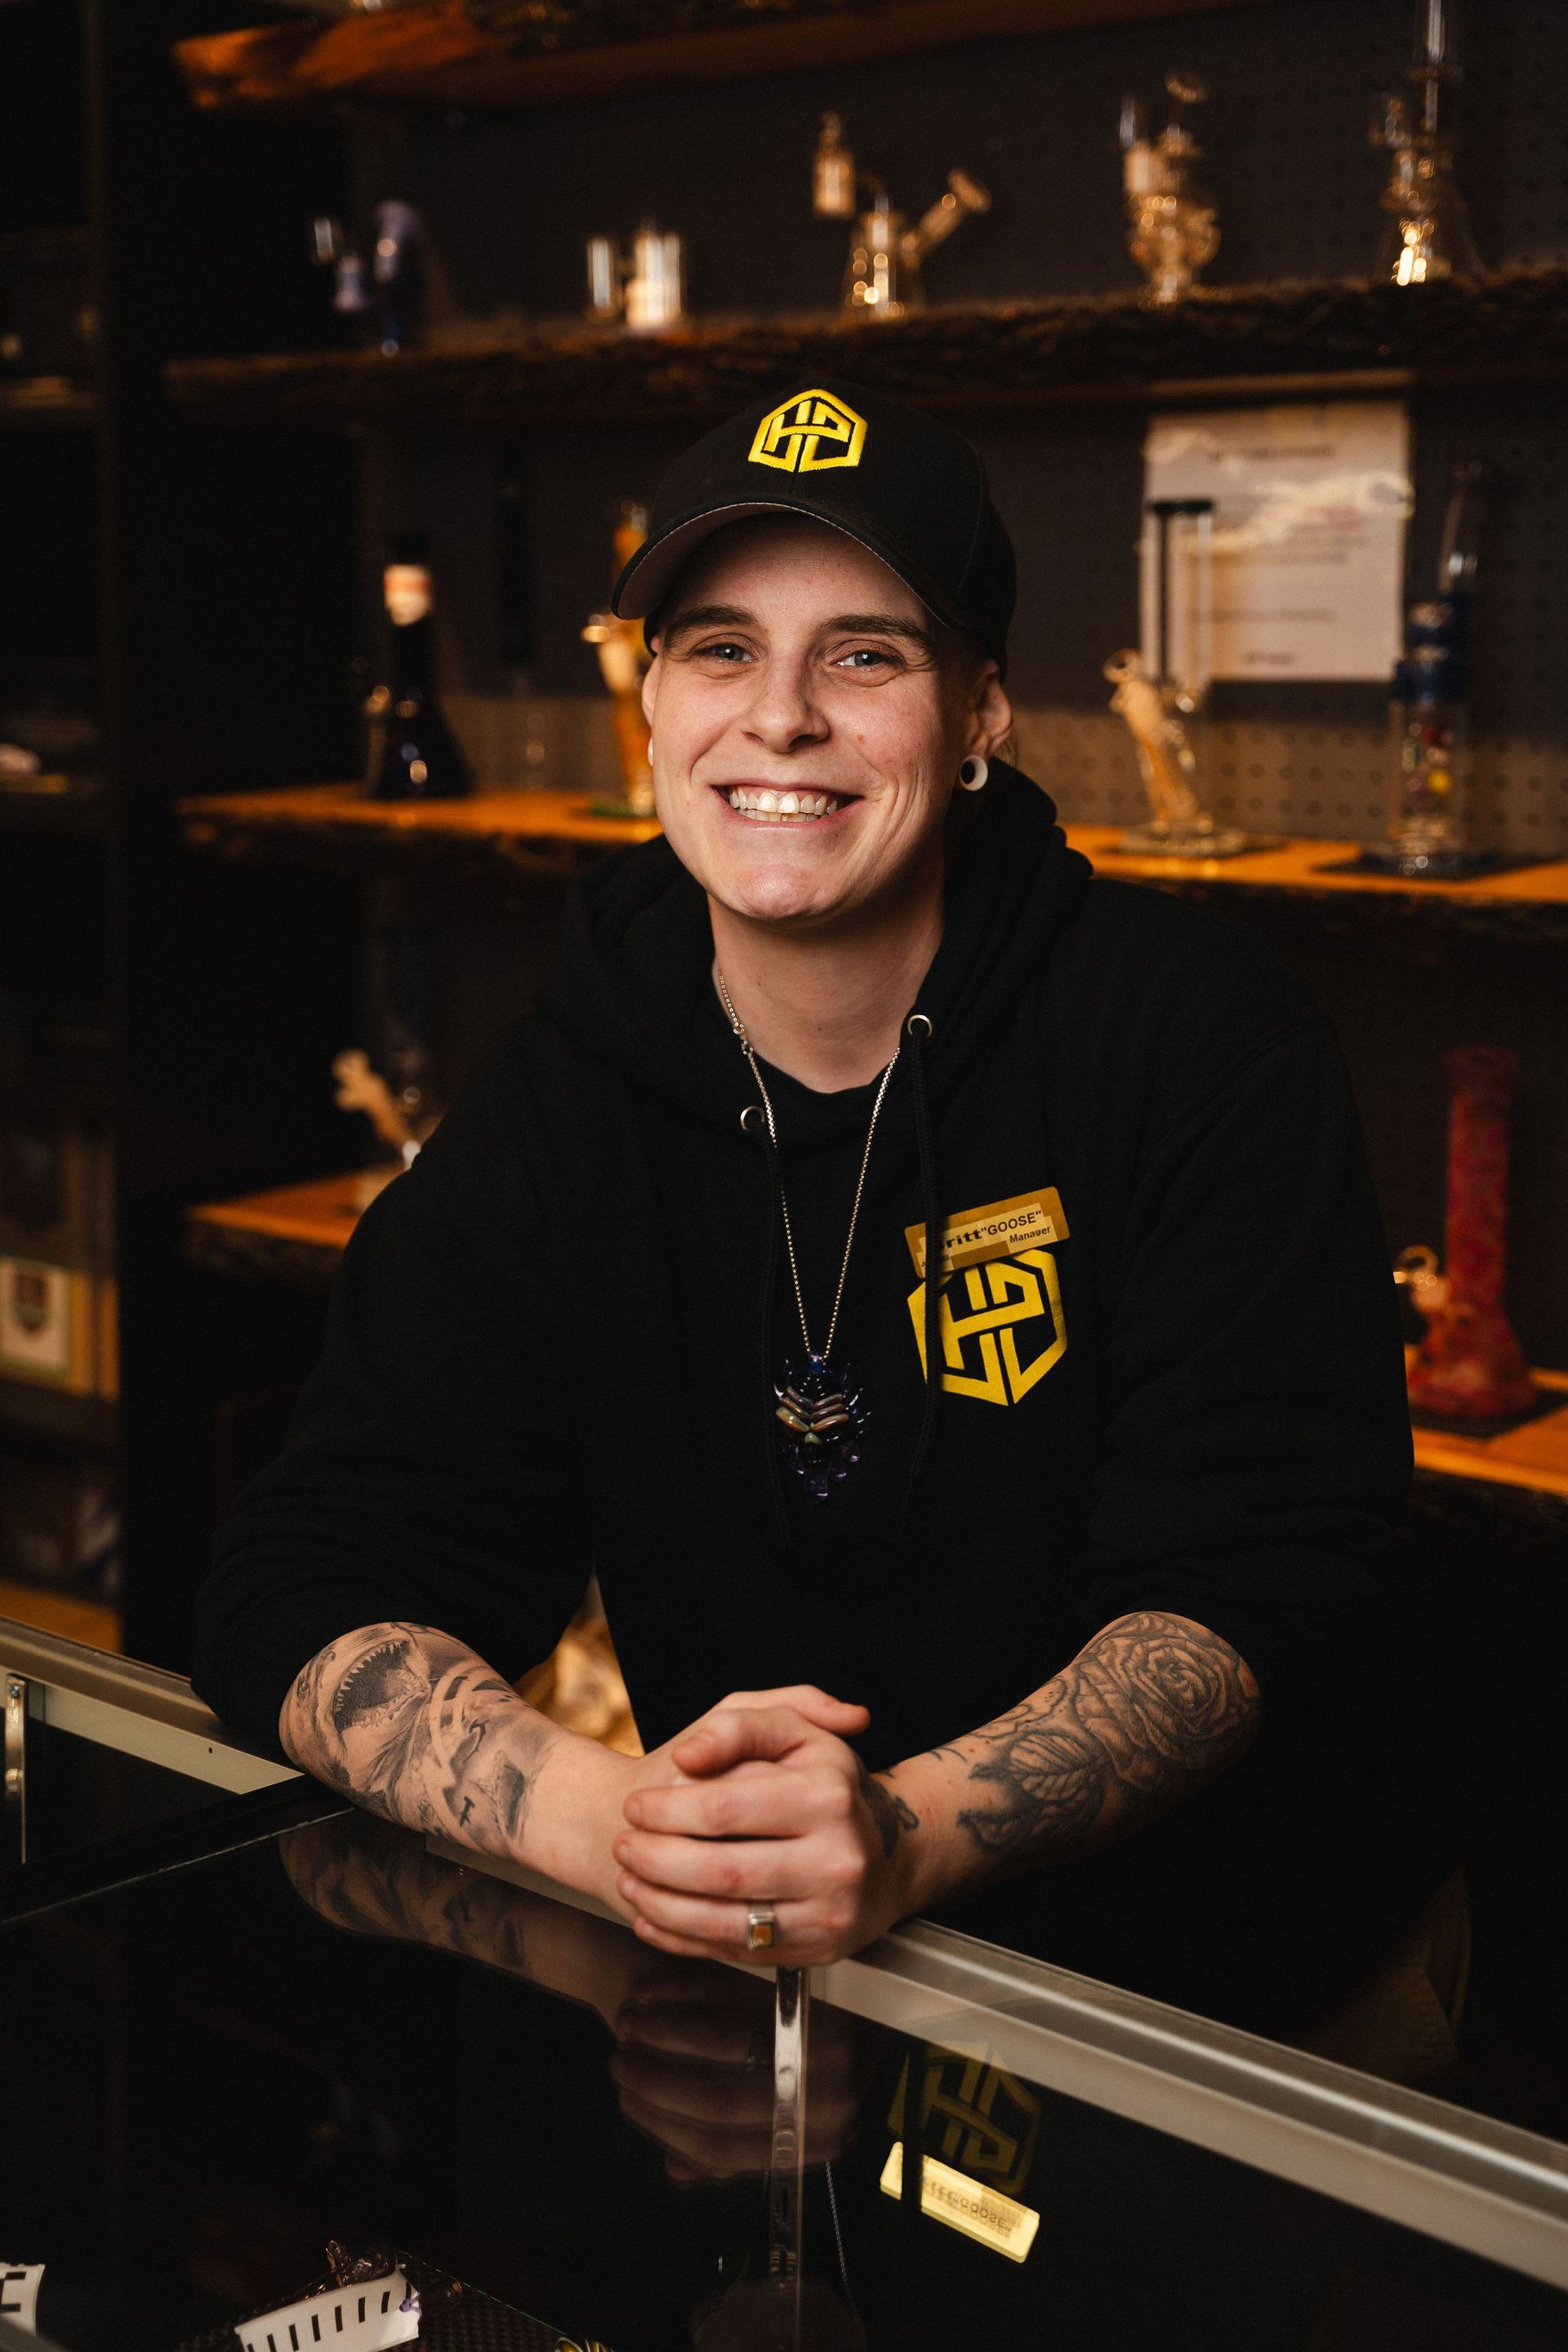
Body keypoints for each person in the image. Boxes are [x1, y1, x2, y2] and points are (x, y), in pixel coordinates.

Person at [194, 378, 1446, 2032]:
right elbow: (302, 1574)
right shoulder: (561, 1095)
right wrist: (618, 1824)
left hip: (1222, 2009)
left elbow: (1265, 1572)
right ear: (648, 707)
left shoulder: (1193, 1034)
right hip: (794, 2004)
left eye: (866, 654)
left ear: (985, 714)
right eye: (718, 647)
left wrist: (903, 1836)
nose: (778, 716)